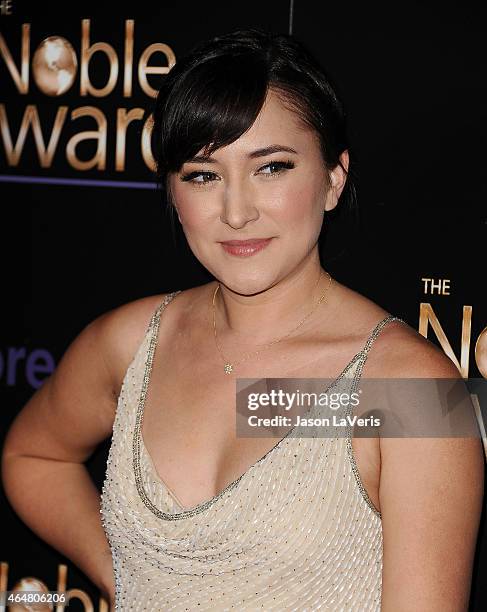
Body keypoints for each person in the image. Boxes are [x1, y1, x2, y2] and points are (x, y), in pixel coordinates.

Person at [1, 28, 484, 612]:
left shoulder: (415, 391)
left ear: (333, 178)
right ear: (172, 193)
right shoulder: (129, 343)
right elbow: (33, 457)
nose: (236, 211)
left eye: (272, 167)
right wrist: (123, 579)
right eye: (203, 175)